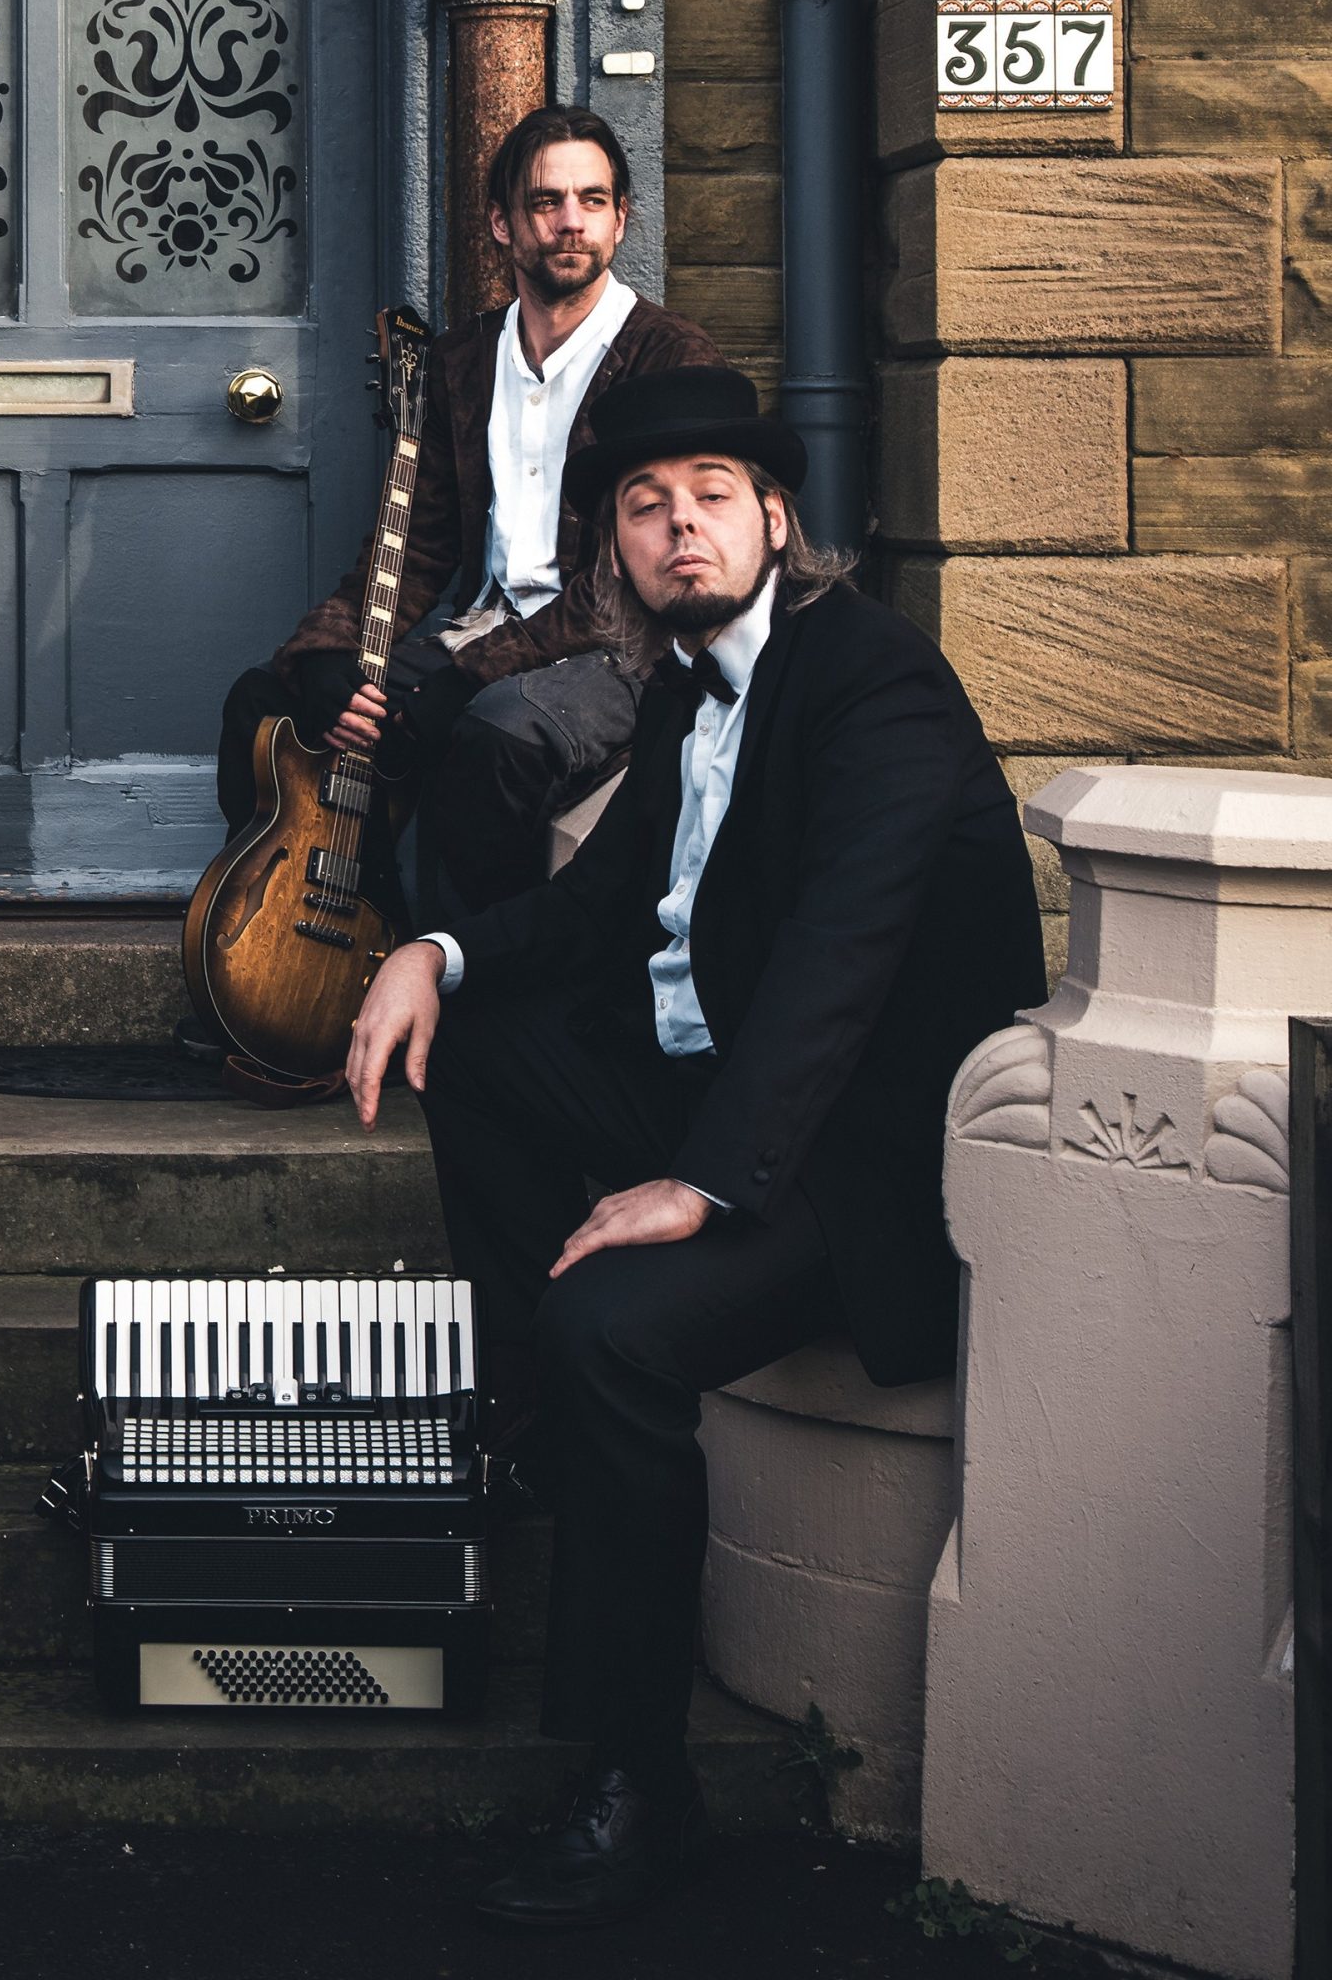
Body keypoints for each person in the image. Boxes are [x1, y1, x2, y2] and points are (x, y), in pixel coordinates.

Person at [344, 364, 1044, 1931]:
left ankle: (637, 1783)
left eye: (712, 499)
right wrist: (434, 954)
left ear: (777, 518)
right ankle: (542, 1412)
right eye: (646, 509)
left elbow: (841, 960)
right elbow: (605, 913)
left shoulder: (874, 682)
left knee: (618, 1332)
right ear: (616, 546)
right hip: (716, 1097)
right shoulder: (685, 689)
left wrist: (702, 1180)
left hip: (855, 1157)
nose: (679, 531)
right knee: (486, 1055)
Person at [191, 110, 722, 1064]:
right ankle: (300, 958)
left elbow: (630, 585)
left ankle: (477, 1018)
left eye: (592, 202)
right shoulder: (466, 359)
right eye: (547, 202)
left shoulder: (668, 360)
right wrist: (331, 659)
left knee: (495, 734)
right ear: (501, 226)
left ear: (621, 221)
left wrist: (459, 680)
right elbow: (418, 542)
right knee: (263, 703)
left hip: (617, 648)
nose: (570, 222)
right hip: (486, 626)